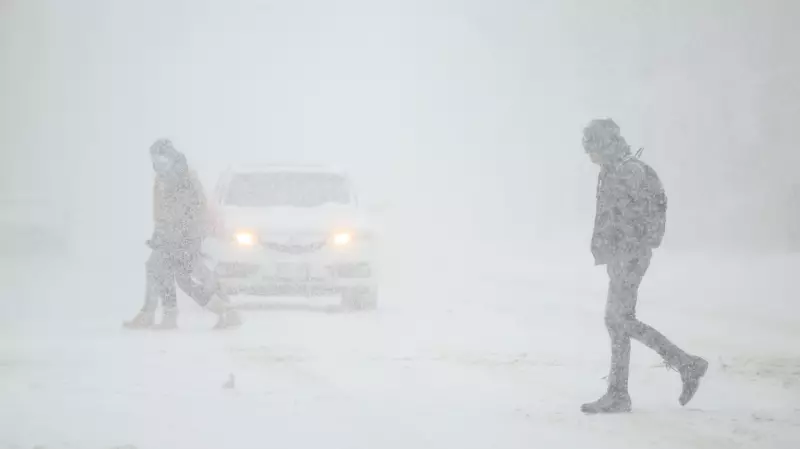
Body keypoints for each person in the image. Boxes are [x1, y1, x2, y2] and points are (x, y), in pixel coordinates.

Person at [581, 118, 707, 414]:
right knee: (618, 320)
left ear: (604, 144)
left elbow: (632, 220)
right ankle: (621, 392)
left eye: (591, 149)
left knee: (619, 319)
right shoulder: (615, 169)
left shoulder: (627, 172)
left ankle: (685, 365)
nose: (589, 156)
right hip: (623, 257)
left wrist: (623, 253)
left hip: (630, 257)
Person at [123, 139, 241, 330]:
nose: (158, 166)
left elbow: (197, 210)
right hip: (170, 238)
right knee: (174, 272)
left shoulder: (185, 179)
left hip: (185, 238)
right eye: (155, 161)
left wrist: (186, 236)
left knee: (181, 276)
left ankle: (166, 315)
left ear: (171, 158)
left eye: (162, 161)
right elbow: (161, 213)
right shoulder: (161, 180)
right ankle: (225, 310)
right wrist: (158, 234)